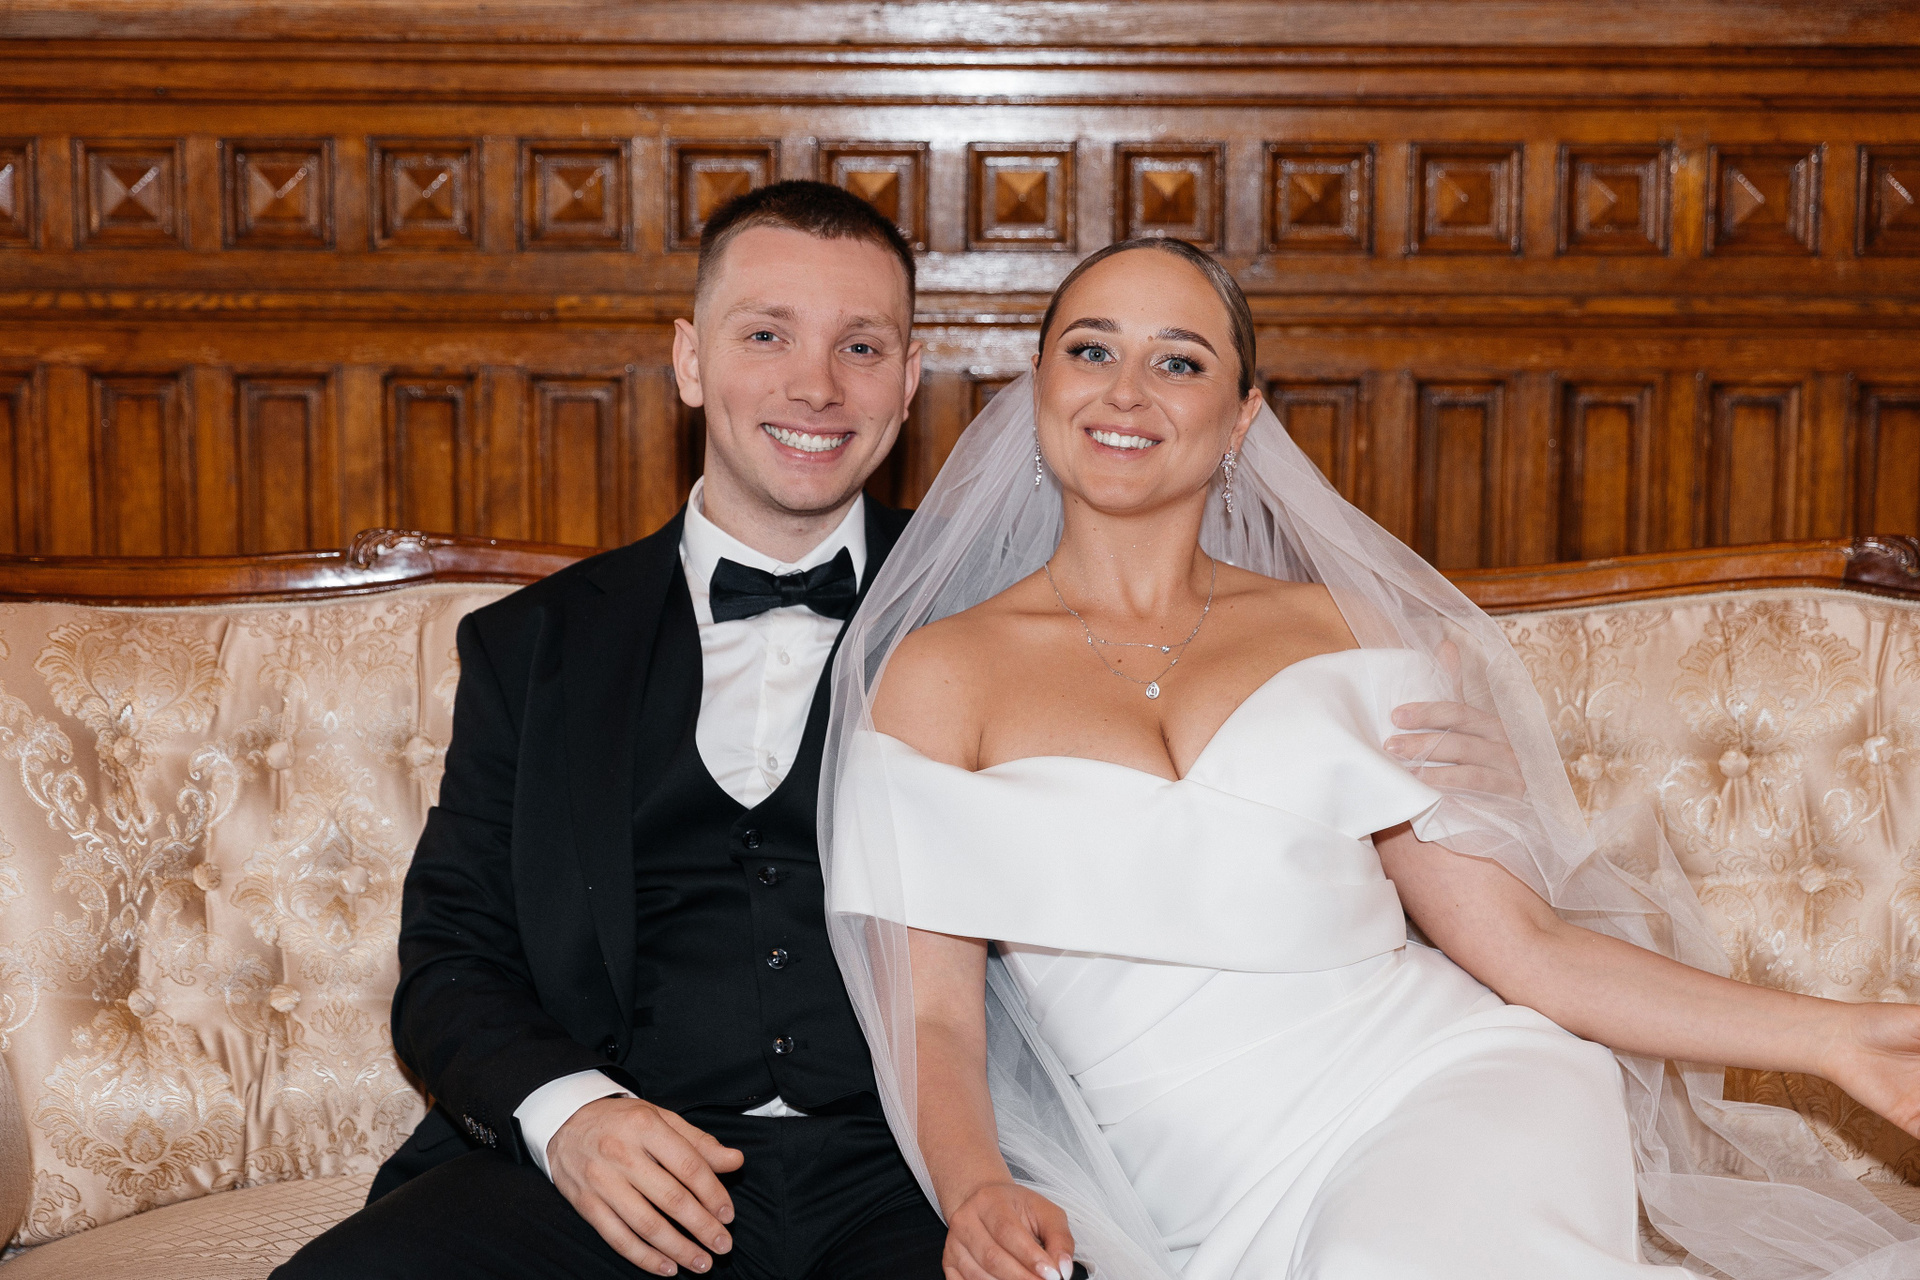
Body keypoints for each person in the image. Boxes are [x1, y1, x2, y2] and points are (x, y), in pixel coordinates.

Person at [277, 181, 1528, 1280]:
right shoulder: (536, 644)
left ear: (910, 377)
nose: (816, 385)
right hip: (617, 1167)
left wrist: (1438, 772)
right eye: (766, 334)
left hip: (911, 1175)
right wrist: (574, 1116)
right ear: (690, 360)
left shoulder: (1014, 613)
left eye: (861, 346)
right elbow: (450, 957)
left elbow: (1218, 777)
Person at [820, 237, 1920, 1280]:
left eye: (1180, 361)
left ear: (1242, 417)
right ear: (1040, 385)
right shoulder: (938, 676)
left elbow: (1528, 948)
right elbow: (932, 1017)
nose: (1127, 391)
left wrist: (1839, 1038)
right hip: (1197, 1196)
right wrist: (975, 1188)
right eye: (1092, 349)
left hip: (1449, 1082)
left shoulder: (1348, 629)